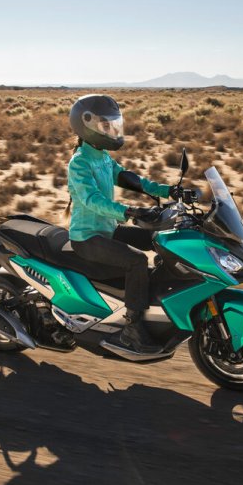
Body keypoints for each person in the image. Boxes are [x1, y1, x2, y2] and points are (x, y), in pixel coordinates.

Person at [66, 94, 173, 353]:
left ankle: (158, 299)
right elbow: (92, 200)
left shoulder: (102, 156)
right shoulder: (80, 162)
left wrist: (168, 190)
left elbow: (129, 179)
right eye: (105, 125)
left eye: (112, 124)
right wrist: (129, 211)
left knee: (159, 239)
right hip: (87, 237)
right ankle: (132, 329)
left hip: (107, 229)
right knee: (136, 260)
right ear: (87, 126)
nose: (112, 130)